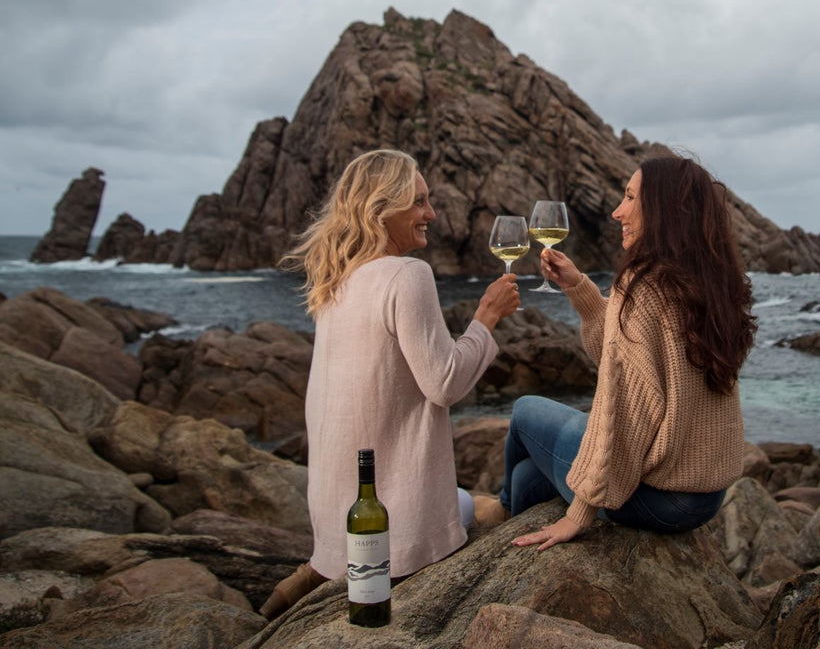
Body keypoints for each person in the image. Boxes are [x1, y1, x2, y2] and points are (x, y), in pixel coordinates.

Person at [260, 149, 519, 619]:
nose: (431, 214)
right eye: (418, 202)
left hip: (335, 516)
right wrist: (487, 315)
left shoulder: (334, 279)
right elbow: (444, 382)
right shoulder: (407, 274)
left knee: (467, 500)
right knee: (490, 510)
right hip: (395, 531)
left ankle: (314, 573)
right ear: (381, 209)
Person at [483, 154, 756, 551]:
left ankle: (503, 510)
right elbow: (624, 354)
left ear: (662, 209)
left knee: (525, 411)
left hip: (658, 495)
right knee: (528, 477)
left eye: (629, 198)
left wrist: (579, 515)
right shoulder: (710, 280)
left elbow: (628, 409)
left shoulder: (643, 283)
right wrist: (580, 288)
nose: (616, 212)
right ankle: (514, 509)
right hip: (704, 496)